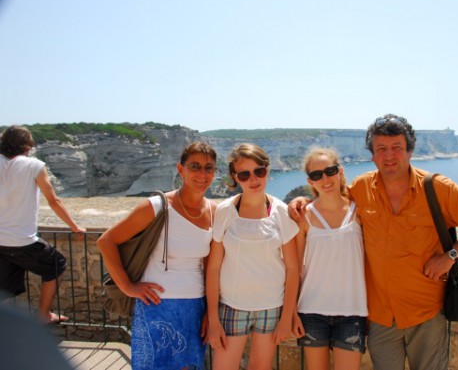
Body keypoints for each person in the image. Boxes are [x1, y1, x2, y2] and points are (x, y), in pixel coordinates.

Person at [290, 114, 458, 370]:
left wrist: (450, 257)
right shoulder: (362, 188)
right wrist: (301, 201)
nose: (389, 155)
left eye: (396, 147)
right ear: (372, 155)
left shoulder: (436, 188)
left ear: (410, 151)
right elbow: (330, 197)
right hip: (381, 318)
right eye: (381, 148)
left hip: (425, 312)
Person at [97, 142, 217, 370]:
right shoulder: (157, 207)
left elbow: (210, 268)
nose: (202, 174)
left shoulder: (213, 211)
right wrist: (127, 287)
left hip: (195, 307)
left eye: (208, 168)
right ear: (181, 170)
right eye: (195, 166)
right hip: (156, 305)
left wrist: (210, 313)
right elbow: (106, 241)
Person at [205, 143, 300, 370]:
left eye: (259, 171)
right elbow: (213, 268)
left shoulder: (280, 212)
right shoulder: (225, 211)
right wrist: (213, 320)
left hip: (271, 306)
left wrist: (286, 317)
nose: (253, 179)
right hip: (232, 305)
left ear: (267, 169)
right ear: (235, 177)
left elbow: (293, 269)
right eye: (244, 174)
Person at [0, 125, 86, 324]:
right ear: (27, 146)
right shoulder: (34, 166)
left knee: (4, 287)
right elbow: (54, 201)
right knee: (56, 264)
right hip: (22, 240)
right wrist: (74, 226)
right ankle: (44, 314)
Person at [293, 147, 368, 370]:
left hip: (352, 312)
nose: (325, 179)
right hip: (311, 311)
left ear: (340, 172)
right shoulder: (304, 216)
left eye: (330, 171)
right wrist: (291, 313)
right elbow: (295, 268)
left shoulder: (359, 212)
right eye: (317, 175)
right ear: (310, 181)